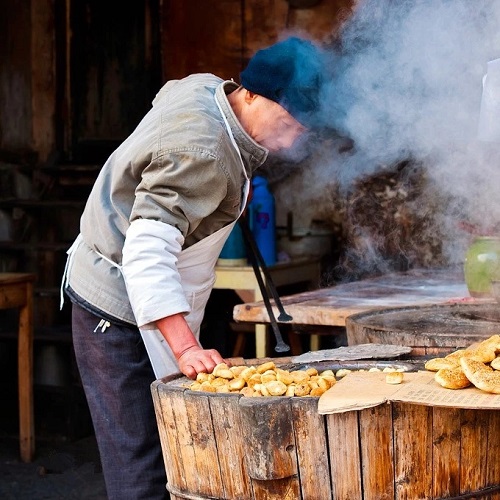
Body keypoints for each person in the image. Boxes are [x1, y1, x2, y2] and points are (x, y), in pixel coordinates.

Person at [61, 36, 325, 500]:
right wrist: (186, 350)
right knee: (141, 464)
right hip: (116, 301)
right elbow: (146, 252)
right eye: (286, 122)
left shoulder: (207, 89)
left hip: (140, 283)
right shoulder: (203, 152)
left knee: (173, 448)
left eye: (301, 132)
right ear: (249, 94)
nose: (290, 140)